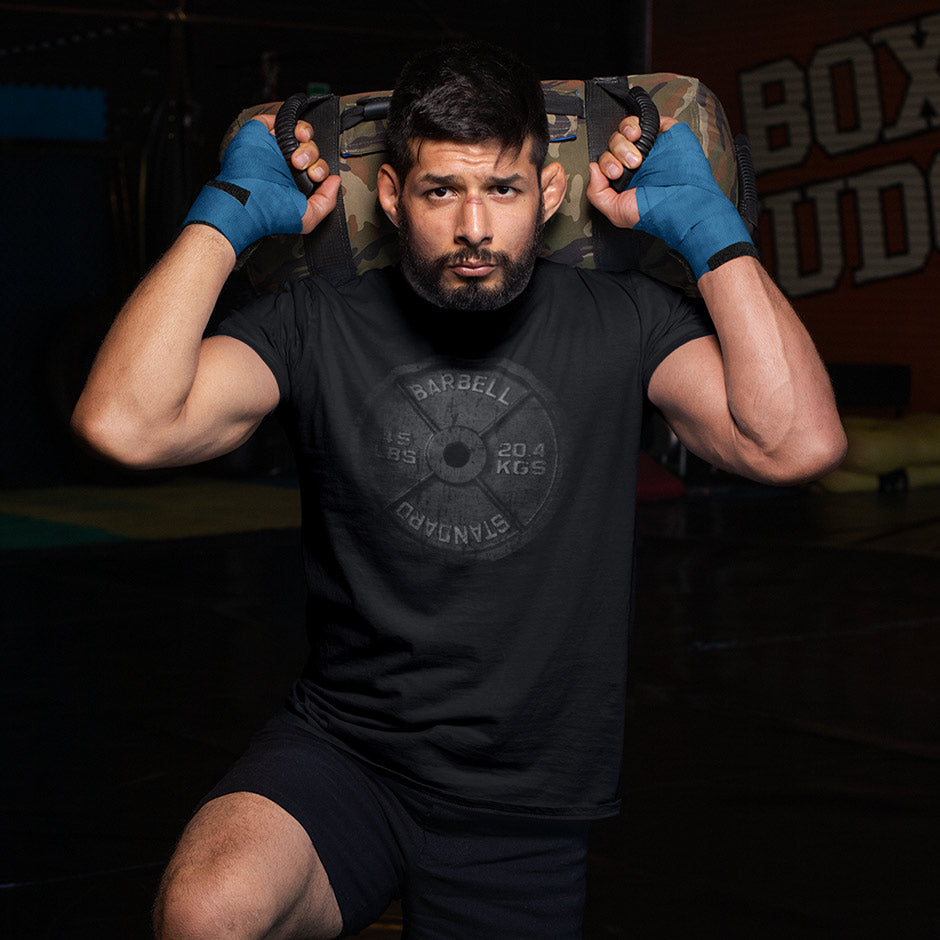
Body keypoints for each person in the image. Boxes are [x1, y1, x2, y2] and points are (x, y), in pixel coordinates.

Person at [71, 41, 846, 940]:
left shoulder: (626, 321)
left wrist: (712, 233)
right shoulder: (314, 322)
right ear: (394, 197)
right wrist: (226, 217)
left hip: (525, 800)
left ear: (548, 196)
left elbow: (795, 442)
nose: (475, 226)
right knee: (206, 911)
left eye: (504, 190)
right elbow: (122, 423)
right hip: (347, 753)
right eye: (442, 191)